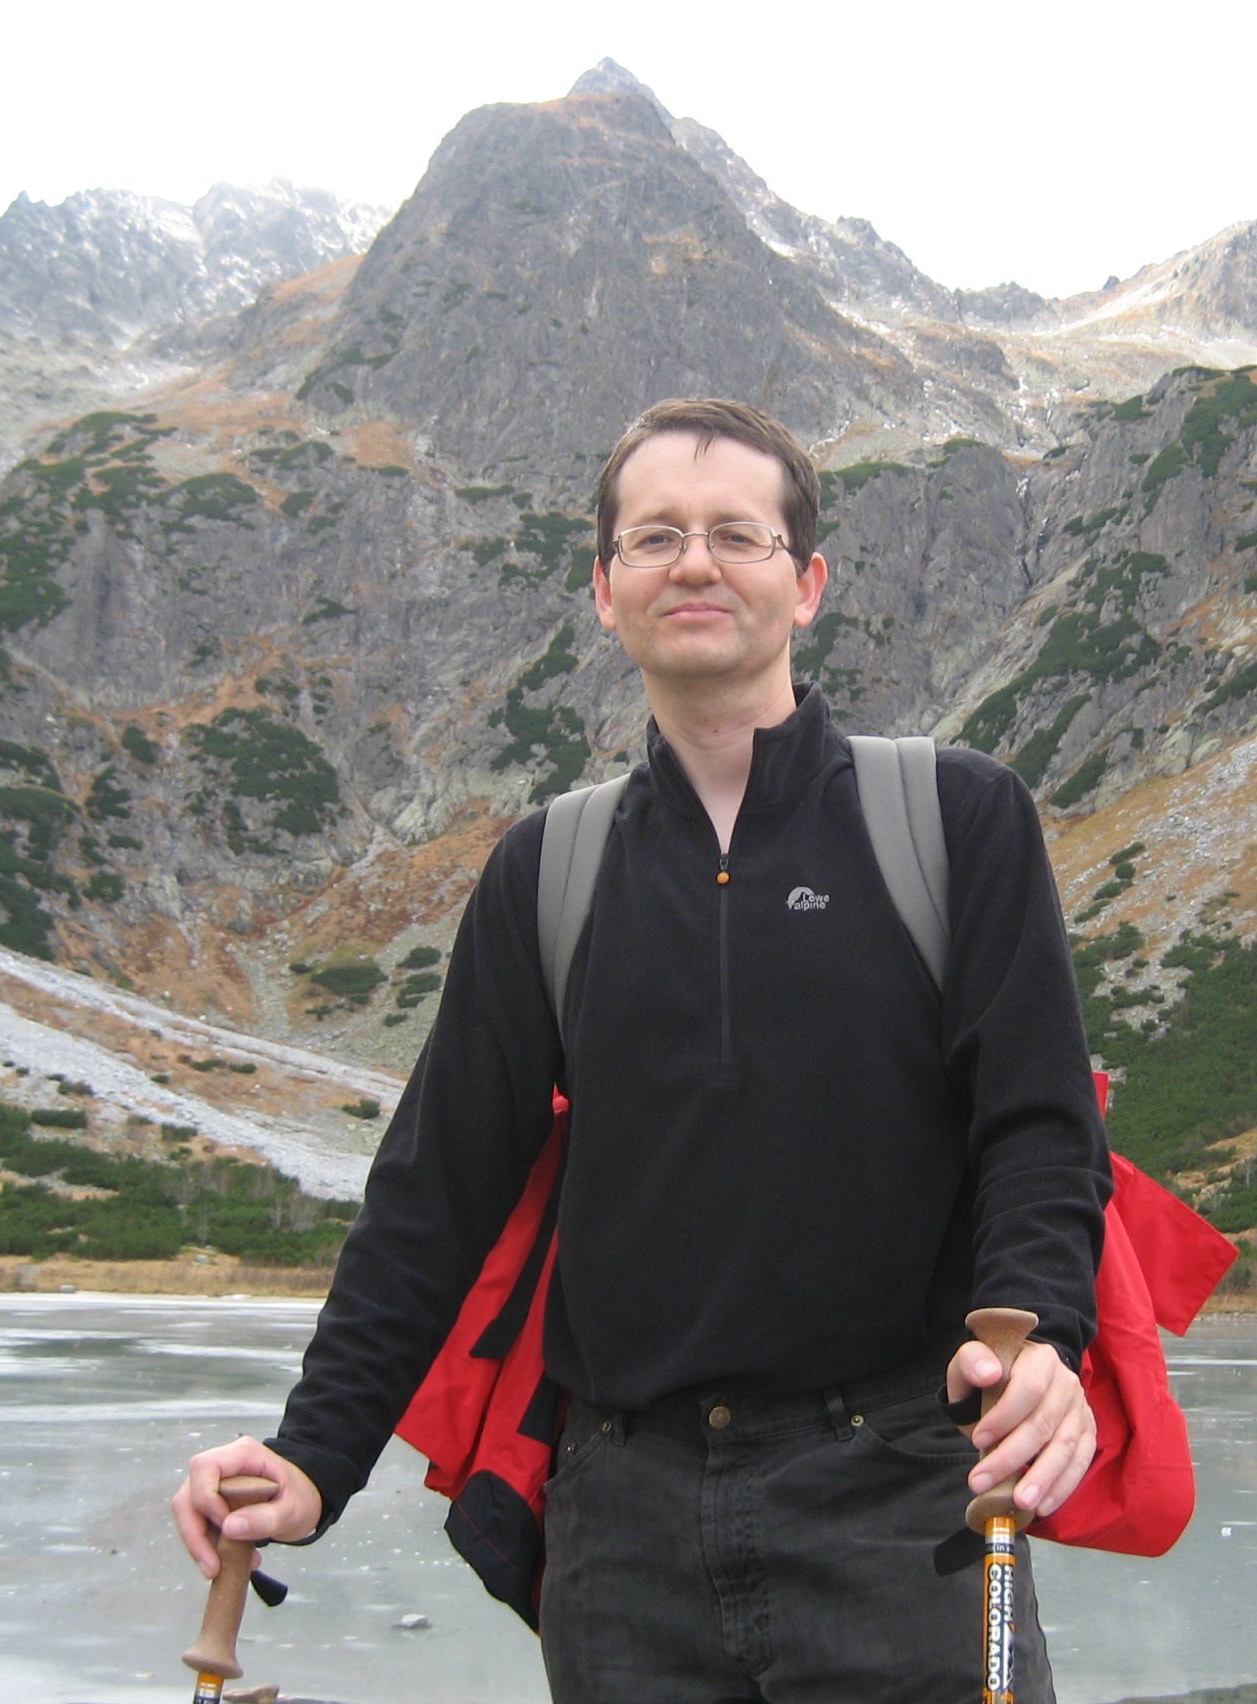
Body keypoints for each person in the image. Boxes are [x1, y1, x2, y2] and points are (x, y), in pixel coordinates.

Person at [173, 397, 1111, 1703]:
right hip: (620, 1526)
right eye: (655, 536)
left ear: (808, 582)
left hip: (902, 1496)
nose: (695, 563)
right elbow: (436, 1194)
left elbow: (1038, 1129)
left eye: (738, 534)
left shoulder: (957, 819)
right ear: (605, 591)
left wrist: (1045, 1334)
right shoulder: (545, 870)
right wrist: (315, 1457)